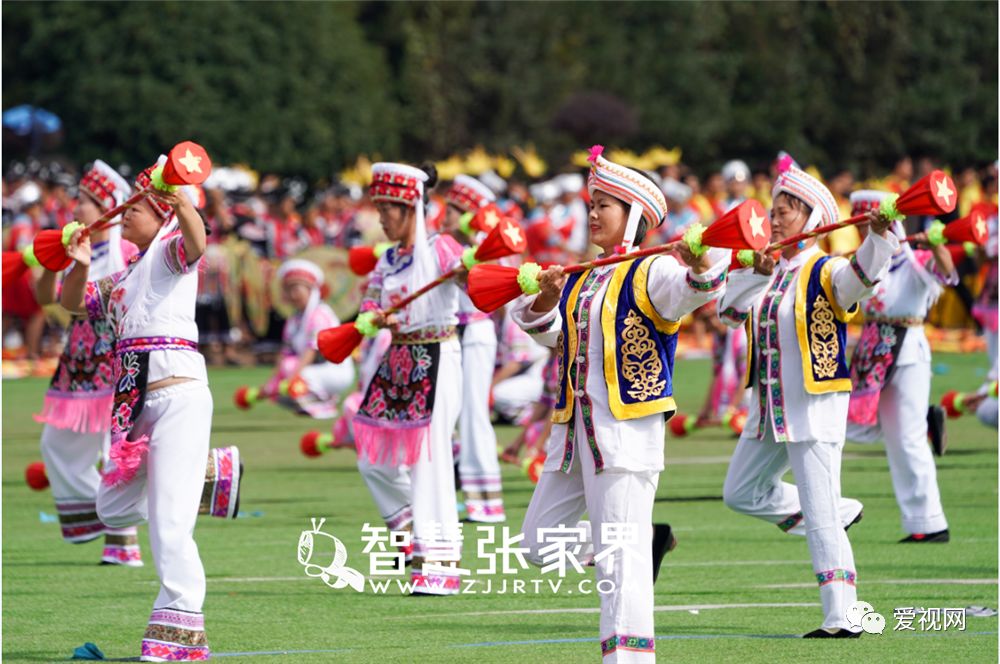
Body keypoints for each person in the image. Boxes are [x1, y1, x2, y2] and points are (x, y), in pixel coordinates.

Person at [511, 146, 729, 662]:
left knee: (617, 563)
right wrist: (544, 299)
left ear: (631, 218)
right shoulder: (582, 275)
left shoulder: (652, 270)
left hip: (625, 435)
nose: (592, 212)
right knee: (538, 544)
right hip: (572, 435)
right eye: (592, 202)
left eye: (605, 204)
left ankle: (628, 658)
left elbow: (698, 289)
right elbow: (548, 336)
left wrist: (699, 260)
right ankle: (639, 538)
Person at [61, 156, 243, 661]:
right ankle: (211, 470)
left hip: (178, 392)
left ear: (159, 211)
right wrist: (78, 263)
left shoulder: (169, 252)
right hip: (135, 403)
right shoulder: (123, 276)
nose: (122, 216)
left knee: (169, 525)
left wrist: (180, 199)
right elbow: (73, 303)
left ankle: (179, 634)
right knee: (111, 507)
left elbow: (199, 241)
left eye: (132, 209)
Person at [718, 164, 898, 638]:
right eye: (773, 212)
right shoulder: (767, 267)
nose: (773, 221)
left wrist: (878, 238)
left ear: (812, 217)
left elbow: (860, 279)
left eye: (784, 213)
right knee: (740, 492)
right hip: (770, 411)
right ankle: (839, 512)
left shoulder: (826, 267)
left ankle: (843, 617)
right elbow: (727, 311)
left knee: (819, 518)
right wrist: (752, 275)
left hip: (814, 407)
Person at [353, 161, 465, 594]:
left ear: (410, 209)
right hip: (398, 360)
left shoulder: (443, 250)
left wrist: (466, 272)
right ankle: (409, 524)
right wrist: (371, 318)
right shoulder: (389, 259)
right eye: (379, 208)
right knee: (372, 457)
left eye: (387, 209)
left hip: (437, 353)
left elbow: (481, 289)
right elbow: (370, 301)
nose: (380, 218)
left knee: (429, 458)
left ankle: (438, 560)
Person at [34, 159, 143, 565]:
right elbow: (50, 299)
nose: (76, 207)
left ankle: (123, 539)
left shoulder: (125, 248)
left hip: (111, 359)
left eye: (85, 201)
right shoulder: (84, 248)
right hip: (78, 362)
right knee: (57, 443)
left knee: (109, 446)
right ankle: (102, 517)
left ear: (106, 210)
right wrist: (50, 258)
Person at [846, 190, 954, 541]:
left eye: (873, 222)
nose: (867, 230)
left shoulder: (914, 259)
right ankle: (924, 422)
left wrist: (936, 244)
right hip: (872, 351)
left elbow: (948, 275)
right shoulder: (864, 261)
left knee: (904, 440)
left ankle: (929, 523)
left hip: (907, 349)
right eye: (864, 224)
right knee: (855, 427)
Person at [441, 174, 507, 523]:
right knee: (449, 413)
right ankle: (457, 490)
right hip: (452, 335)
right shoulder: (444, 243)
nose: (445, 215)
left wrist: (464, 271)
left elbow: (491, 293)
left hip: (475, 334)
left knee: (473, 414)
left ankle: (485, 503)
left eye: (454, 210)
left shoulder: (483, 247)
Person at [264, 259, 354, 418]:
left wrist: (292, 379)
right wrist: (271, 385)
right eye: (289, 290)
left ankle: (326, 403)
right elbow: (286, 354)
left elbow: (311, 351)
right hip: (313, 369)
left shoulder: (320, 314)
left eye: (296, 289)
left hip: (334, 370)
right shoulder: (294, 320)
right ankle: (308, 402)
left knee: (301, 376)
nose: (292, 295)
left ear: (310, 290)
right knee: (284, 379)